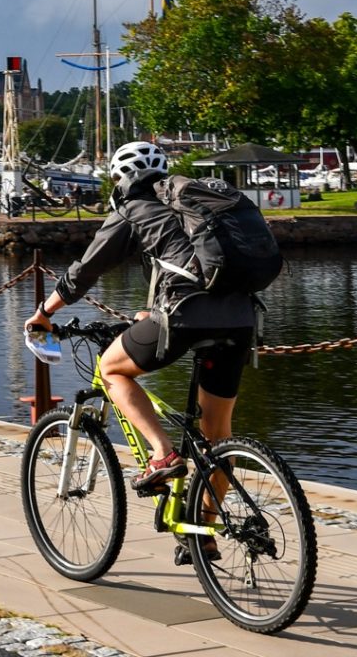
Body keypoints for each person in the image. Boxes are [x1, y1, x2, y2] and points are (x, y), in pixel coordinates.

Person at [25, 141, 257, 494]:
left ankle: (163, 455)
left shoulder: (132, 207)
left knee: (111, 369)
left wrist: (44, 313)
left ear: (119, 177)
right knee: (218, 437)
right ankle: (203, 539)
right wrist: (153, 309)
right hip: (241, 317)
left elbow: (85, 272)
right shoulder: (189, 202)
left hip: (187, 315)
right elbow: (187, 261)